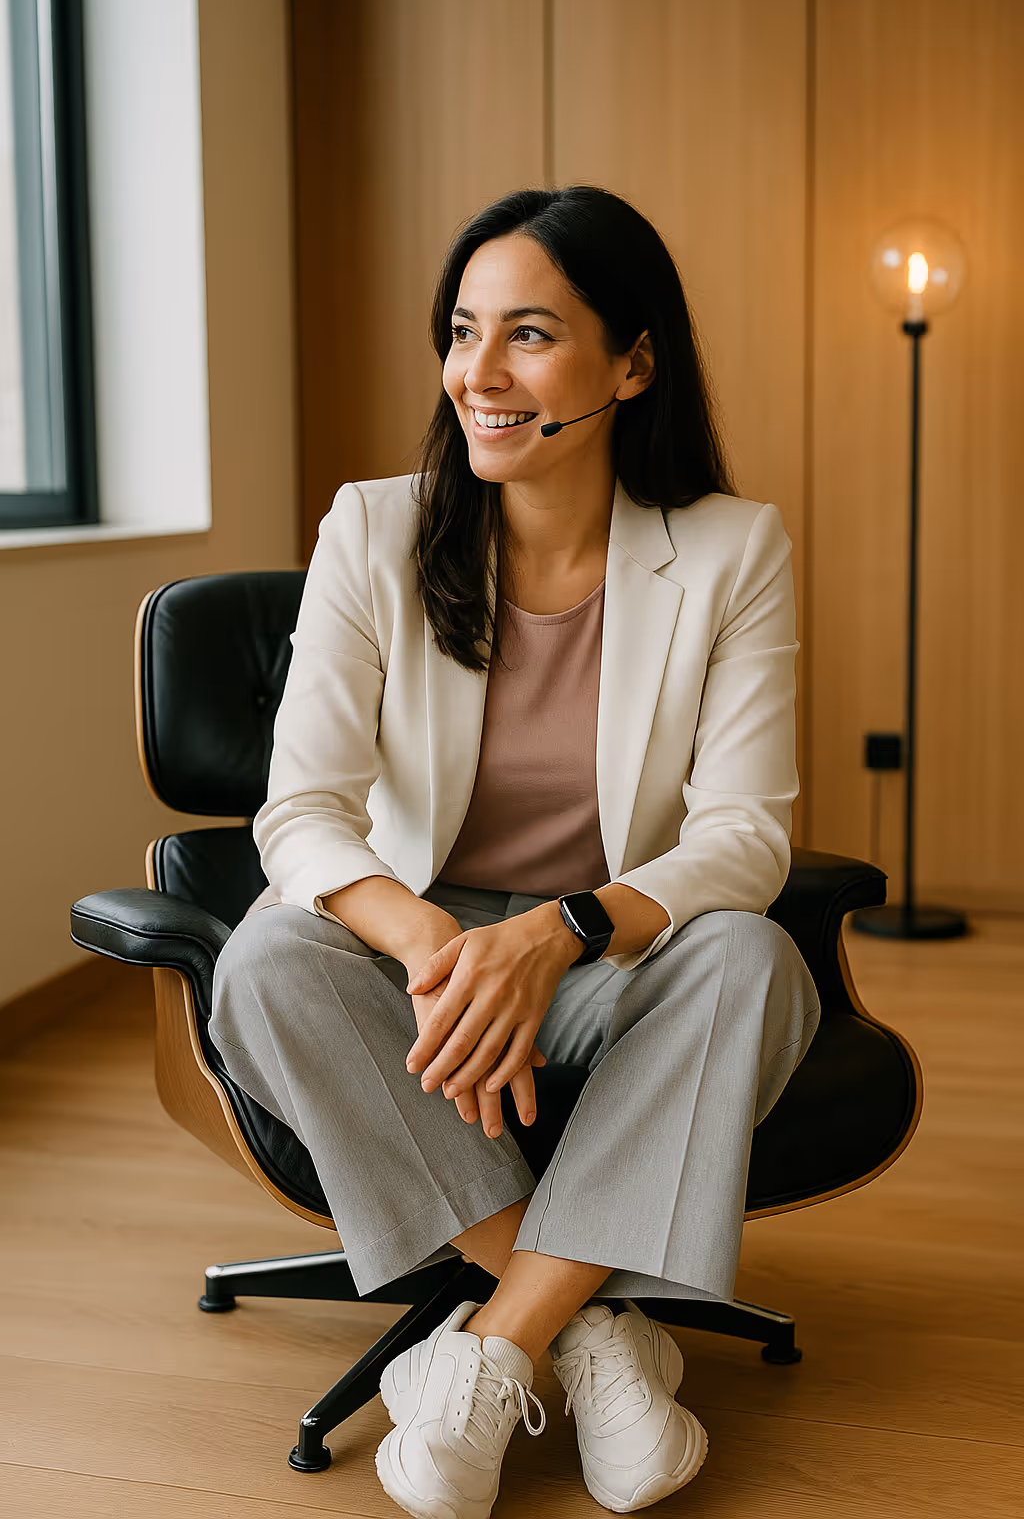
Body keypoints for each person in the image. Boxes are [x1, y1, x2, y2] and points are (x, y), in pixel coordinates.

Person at [210, 185, 821, 1519]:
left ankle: (488, 1350)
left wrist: (562, 934)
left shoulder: (731, 550)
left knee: (753, 963)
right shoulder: (375, 529)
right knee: (263, 962)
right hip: (417, 948)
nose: (479, 374)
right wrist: (438, 942)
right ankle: (585, 1329)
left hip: (601, 949)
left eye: (530, 335)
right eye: (463, 330)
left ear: (634, 361)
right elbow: (299, 813)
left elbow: (744, 835)